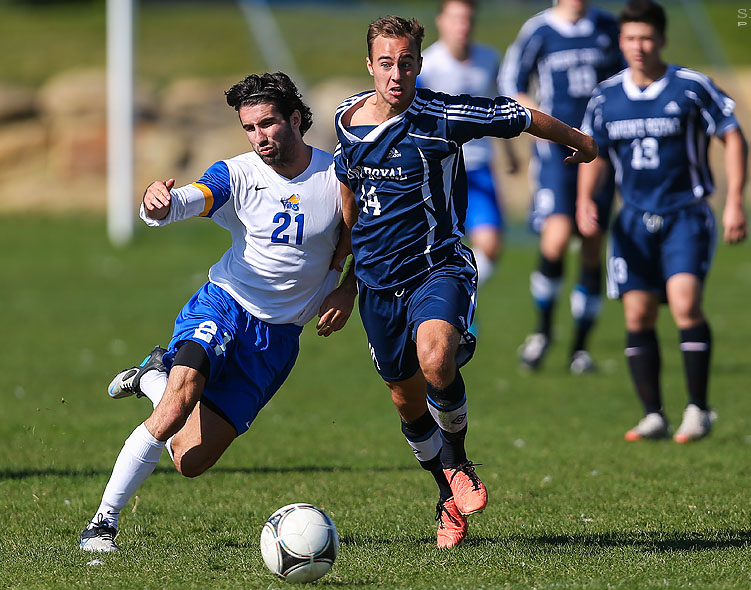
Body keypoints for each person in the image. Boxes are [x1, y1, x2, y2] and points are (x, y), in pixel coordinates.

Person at [333, 16, 596, 548]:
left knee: (436, 359)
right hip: (378, 285)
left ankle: (457, 460)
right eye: (386, 63)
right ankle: (445, 496)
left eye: (406, 62)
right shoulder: (345, 120)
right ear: (369, 65)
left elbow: (517, 115)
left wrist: (579, 142)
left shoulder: (440, 114)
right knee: (405, 402)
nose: (396, 74)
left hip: (438, 267)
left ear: (419, 64)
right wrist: (346, 282)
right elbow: (348, 202)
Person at [79, 72, 356, 552]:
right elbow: (194, 197)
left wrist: (347, 288)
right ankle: (102, 523)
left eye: (268, 124)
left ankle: (150, 376)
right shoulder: (239, 173)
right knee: (177, 405)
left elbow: (363, 240)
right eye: (249, 128)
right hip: (224, 306)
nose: (259, 138)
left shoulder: (337, 177)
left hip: (278, 340)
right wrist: (158, 204)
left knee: (191, 460)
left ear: (295, 118)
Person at [576, 0, 748, 443]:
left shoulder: (691, 87)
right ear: (621, 42)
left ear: (662, 40)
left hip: (685, 214)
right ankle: (653, 414)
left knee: (685, 303)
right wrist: (585, 201)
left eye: (647, 38)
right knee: (638, 314)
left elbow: (732, 135)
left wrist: (734, 202)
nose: (639, 47)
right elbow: (590, 152)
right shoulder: (605, 96)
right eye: (631, 38)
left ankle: (698, 409)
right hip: (632, 219)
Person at [499, 0, 624, 374]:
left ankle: (580, 349)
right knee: (555, 237)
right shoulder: (539, 30)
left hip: (599, 152)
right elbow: (511, 83)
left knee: (591, 240)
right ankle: (542, 333)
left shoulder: (607, 26)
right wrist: (539, 122)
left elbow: (625, 80)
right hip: (555, 154)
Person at [417, 0, 519, 324]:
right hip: (439, 173)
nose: (463, 25)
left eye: (468, 19)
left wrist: (511, 153)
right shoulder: (428, 65)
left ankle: (458, 300)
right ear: (441, 21)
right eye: (456, 18)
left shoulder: (489, 59)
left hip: (478, 169)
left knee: (489, 246)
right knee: (439, 250)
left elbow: (499, 108)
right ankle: (439, 310)